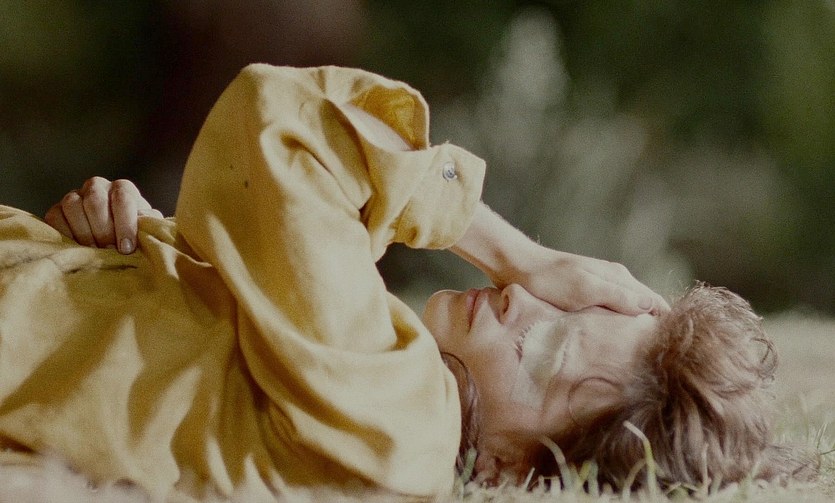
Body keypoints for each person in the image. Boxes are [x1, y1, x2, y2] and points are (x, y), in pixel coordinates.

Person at [0, 65, 812, 501]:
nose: (521, 300)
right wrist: (139, 242)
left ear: (507, 470)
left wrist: (518, 253)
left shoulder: (403, 416)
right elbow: (217, 359)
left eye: (544, 350)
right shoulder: (379, 401)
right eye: (561, 300)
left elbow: (289, 120)